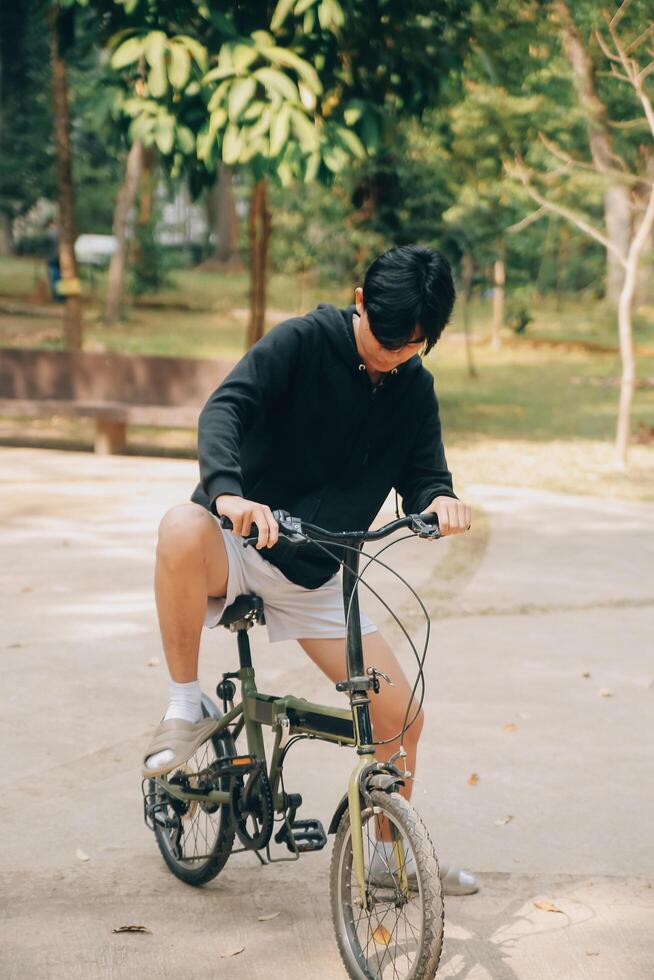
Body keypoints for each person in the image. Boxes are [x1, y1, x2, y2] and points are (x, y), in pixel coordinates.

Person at [143, 245, 478, 895]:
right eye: (386, 340)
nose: (393, 356)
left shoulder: (414, 387)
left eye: (411, 348)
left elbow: (425, 476)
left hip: (321, 572)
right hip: (243, 542)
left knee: (399, 719)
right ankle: (184, 703)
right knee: (180, 526)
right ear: (359, 300)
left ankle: (383, 858)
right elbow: (225, 410)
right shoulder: (301, 342)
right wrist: (230, 494)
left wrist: (439, 500)